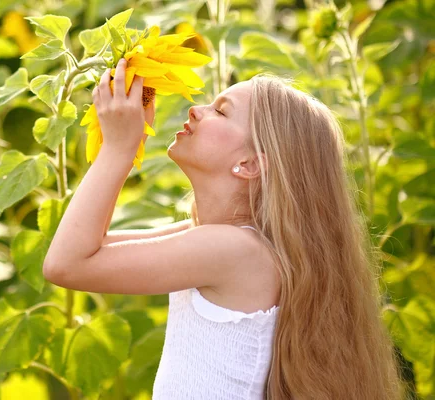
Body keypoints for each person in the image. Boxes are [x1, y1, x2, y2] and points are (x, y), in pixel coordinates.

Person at [43, 60, 404, 399]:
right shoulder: (225, 242)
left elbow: (67, 263)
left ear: (248, 164)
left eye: (220, 110)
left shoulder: (233, 250)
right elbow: (91, 246)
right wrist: (126, 142)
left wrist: (118, 150)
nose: (195, 109)